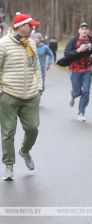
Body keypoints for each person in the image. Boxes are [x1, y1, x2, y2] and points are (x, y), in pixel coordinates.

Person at [0, 12, 42, 181]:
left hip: (31, 95)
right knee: (8, 132)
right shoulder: (3, 44)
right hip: (9, 94)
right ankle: (9, 165)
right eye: (30, 25)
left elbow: (36, 67)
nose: (33, 28)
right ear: (20, 26)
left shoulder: (31, 43)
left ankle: (24, 151)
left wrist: (39, 87)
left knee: (33, 129)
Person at [65, 22, 92, 121]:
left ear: (88, 31)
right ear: (79, 30)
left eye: (86, 29)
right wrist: (78, 51)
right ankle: (73, 95)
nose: (84, 30)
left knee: (86, 91)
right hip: (75, 69)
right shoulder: (73, 41)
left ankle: (81, 112)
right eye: (82, 29)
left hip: (87, 70)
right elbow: (66, 54)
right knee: (77, 92)